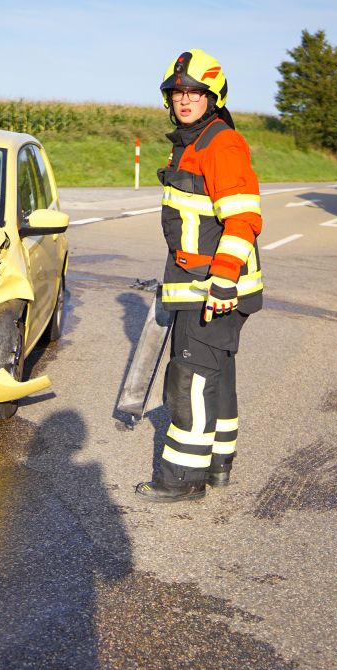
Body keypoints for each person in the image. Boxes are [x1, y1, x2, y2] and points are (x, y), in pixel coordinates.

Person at [135, 49, 263, 502]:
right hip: (205, 284)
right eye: (178, 92)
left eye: (194, 92)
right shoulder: (192, 142)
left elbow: (244, 218)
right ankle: (217, 466)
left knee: (189, 378)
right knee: (217, 376)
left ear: (213, 96)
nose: (185, 99)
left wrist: (224, 280)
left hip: (211, 287)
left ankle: (181, 480)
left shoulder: (219, 143)